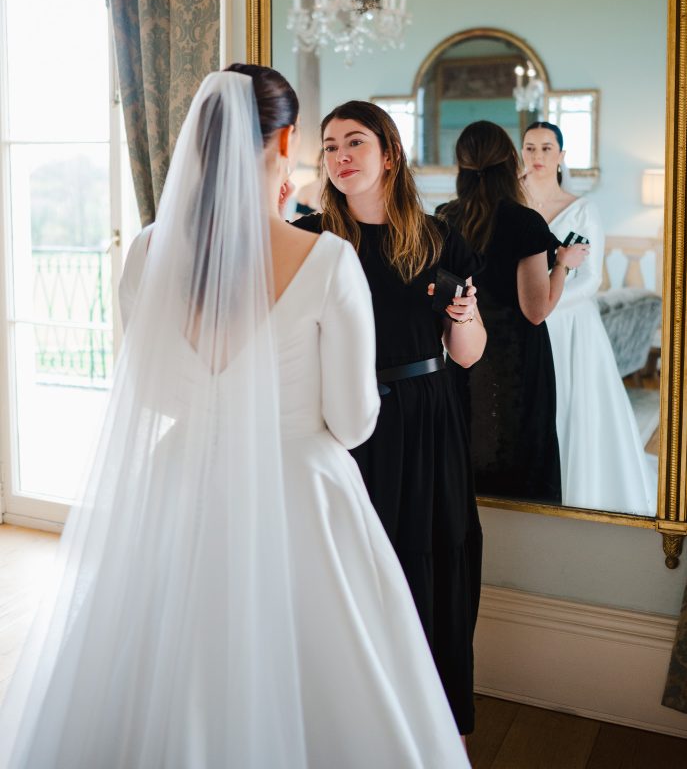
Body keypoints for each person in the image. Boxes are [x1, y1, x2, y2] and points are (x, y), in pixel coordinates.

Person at [0, 67, 471, 769]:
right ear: (285, 138)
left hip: (183, 473)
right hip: (302, 489)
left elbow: (153, 391)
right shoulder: (325, 257)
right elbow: (351, 421)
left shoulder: (149, 249)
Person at [295, 99, 486, 738]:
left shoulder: (439, 237)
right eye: (329, 147)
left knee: (430, 551)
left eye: (355, 142)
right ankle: (353, 723)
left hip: (429, 417)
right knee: (354, 561)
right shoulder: (309, 237)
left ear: (389, 153)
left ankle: (427, 719)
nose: (341, 157)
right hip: (344, 423)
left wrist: (464, 318)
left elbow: (466, 354)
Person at [438, 120, 588, 506]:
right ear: (510, 163)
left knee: (471, 453)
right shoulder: (523, 222)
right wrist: (563, 266)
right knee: (522, 462)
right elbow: (536, 310)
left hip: (464, 354)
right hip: (518, 361)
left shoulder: (444, 219)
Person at [522, 120, 657, 515]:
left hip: (569, 325)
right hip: (527, 322)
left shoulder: (582, 210)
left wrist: (545, 302)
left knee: (571, 404)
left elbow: (593, 278)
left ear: (562, 157)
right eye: (530, 148)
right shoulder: (513, 208)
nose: (538, 156)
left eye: (547, 148)